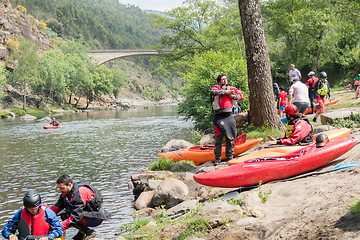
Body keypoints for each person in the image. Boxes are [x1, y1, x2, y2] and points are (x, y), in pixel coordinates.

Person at [51, 174, 111, 240]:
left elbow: (76, 216)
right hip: (86, 214)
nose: (60, 191)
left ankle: (89, 232)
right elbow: (57, 206)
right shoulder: (66, 193)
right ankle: (82, 232)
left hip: (95, 218)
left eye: (62, 188)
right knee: (64, 214)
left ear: (70, 185)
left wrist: (60, 226)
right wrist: (46, 216)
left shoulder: (79, 193)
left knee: (69, 216)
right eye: (59, 188)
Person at [211, 73, 244, 166]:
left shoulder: (232, 88)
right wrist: (225, 92)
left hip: (229, 115)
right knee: (218, 138)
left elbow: (241, 95)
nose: (225, 81)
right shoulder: (216, 87)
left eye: (226, 79)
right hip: (219, 116)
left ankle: (229, 157)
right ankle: (217, 159)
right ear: (219, 81)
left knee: (230, 137)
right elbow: (213, 92)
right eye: (223, 79)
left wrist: (233, 96)